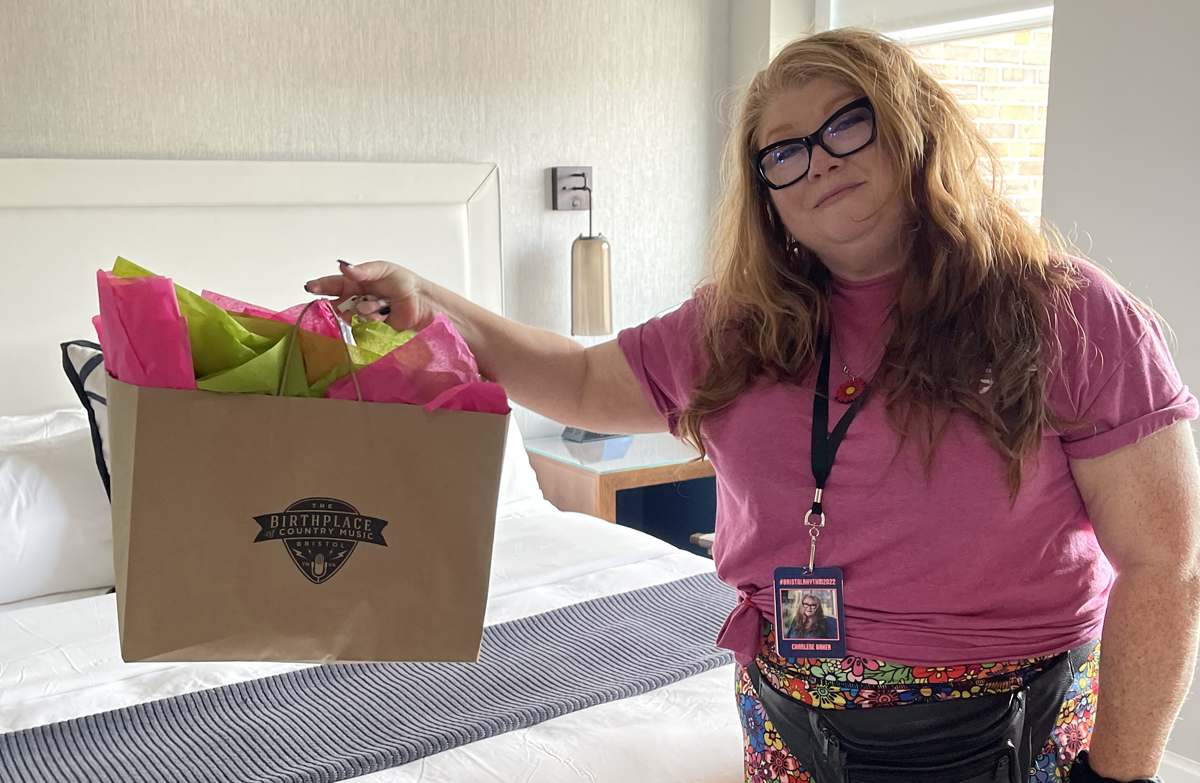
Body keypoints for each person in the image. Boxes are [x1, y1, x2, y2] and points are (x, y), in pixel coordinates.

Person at [306, 27, 1200, 783]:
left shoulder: (1063, 311)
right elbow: (578, 382)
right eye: (785, 151)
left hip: (1018, 726)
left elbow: (1167, 565)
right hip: (790, 725)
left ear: (915, 129)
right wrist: (433, 299)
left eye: (847, 125)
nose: (818, 162)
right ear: (768, 193)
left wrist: (1117, 777)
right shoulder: (736, 327)